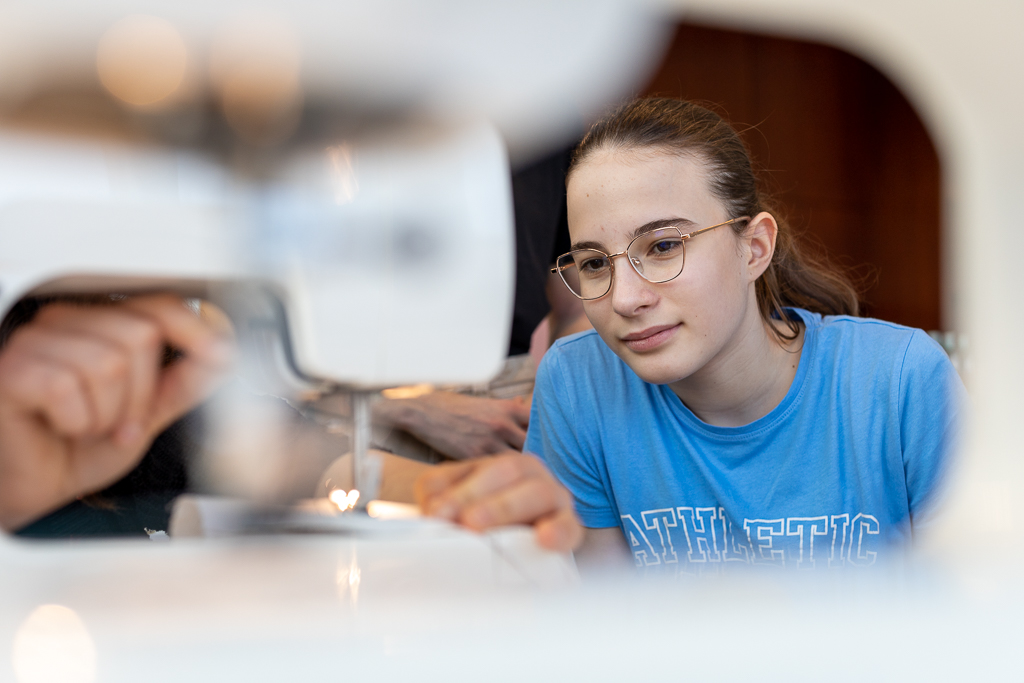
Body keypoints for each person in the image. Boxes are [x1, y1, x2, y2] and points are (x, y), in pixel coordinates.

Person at [417, 98, 966, 572]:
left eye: (662, 247)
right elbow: (604, 623)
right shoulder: (580, 383)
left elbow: (978, 604)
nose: (625, 299)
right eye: (594, 263)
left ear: (754, 248)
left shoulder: (900, 382)